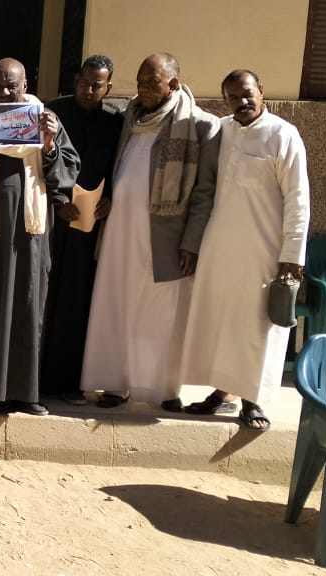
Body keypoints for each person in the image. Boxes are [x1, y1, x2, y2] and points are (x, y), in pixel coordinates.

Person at [81, 53, 220, 411]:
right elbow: (117, 168)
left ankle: (162, 390)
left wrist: (191, 242)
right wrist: (109, 197)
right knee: (116, 304)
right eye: (140, 81)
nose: (142, 88)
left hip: (164, 239)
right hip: (119, 231)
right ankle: (115, 384)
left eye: (151, 82)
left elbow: (204, 193)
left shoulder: (199, 125)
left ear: (173, 84)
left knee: (161, 315)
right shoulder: (130, 116)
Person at [180, 70, 310, 431]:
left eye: (248, 94)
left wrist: (292, 255)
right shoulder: (220, 131)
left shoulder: (283, 134)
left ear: (262, 91)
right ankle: (222, 393)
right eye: (234, 97)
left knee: (256, 327)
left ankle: (253, 400)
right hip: (219, 248)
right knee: (222, 323)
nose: (243, 102)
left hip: (264, 253)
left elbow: (298, 199)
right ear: (225, 100)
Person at [0, 58, 80, 415]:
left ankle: (25, 392)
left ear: (26, 85)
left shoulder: (45, 119)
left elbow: (68, 169)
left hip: (29, 227)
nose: (4, 93)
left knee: (27, 302)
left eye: (12, 86)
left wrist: (49, 145)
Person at [41, 55, 124, 406]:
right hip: (51, 219)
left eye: (97, 85)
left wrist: (111, 199)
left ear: (108, 87)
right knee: (46, 297)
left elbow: (121, 165)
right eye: (84, 83)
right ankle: (37, 378)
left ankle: (71, 381)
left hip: (91, 224)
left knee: (79, 302)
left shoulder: (116, 122)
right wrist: (57, 200)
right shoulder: (53, 113)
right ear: (76, 80)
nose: (89, 90)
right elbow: (37, 161)